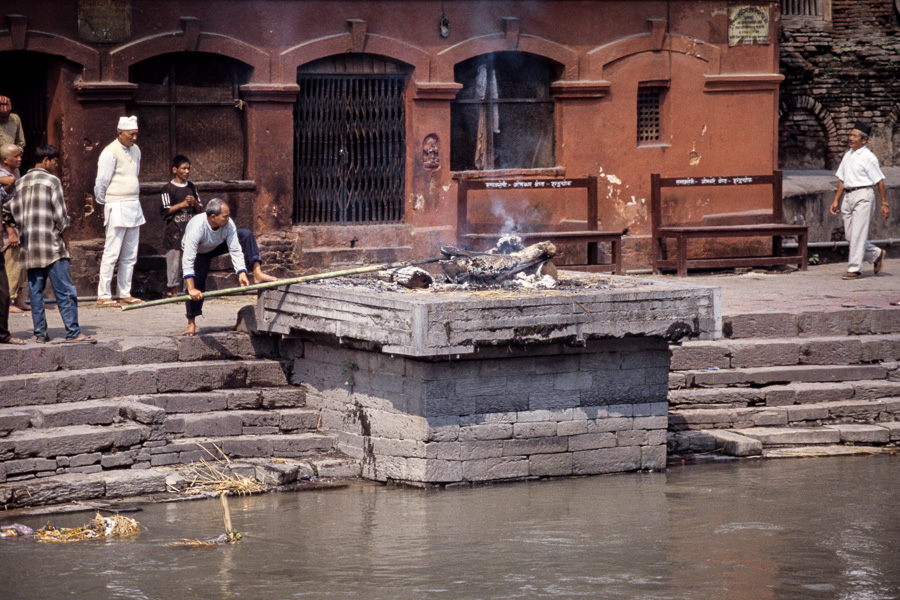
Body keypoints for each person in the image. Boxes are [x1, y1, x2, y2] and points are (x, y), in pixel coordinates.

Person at [2, 145, 95, 343]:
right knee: (65, 291)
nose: (56, 165)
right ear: (46, 161)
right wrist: (64, 237)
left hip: (29, 247)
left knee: (35, 293)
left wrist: (16, 227)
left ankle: (40, 334)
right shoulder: (52, 181)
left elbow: (7, 210)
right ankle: (73, 332)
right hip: (51, 245)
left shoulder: (20, 182)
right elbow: (61, 217)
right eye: (55, 161)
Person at [181, 198, 277, 336]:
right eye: (225, 216)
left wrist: (241, 273)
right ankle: (191, 322)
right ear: (213, 217)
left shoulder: (228, 224)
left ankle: (257, 272)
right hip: (199, 252)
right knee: (197, 284)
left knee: (246, 234)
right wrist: (191, 288)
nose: (228, 218)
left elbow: (235, 249)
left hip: (216, 245)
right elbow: (188, 259)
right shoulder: (197, 227)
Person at [94, 115, 145, 307]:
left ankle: (124, 292)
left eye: (136, 134)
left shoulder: (136, 150)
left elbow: (135, 173)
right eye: (131, 134)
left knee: (130, 254)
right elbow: (101, 182)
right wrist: (105, 202)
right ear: (120, 133)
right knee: (112, 252)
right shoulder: (109, 152)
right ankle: (104, 294)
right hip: (116, 205)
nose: (134, 138)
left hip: (133, 204)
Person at [830, 121, 889, 280]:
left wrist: (884, 203)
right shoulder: (848, 155)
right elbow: (842, 179)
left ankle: (854, 269)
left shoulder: (869, 157)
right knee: (850, 236)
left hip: (863, 195)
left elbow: (879, 181)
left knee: (857, 235)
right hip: (848, 196)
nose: (851, 138)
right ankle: (876, 254)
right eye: (850, 135)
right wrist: (836, 200)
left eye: (855, 136)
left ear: (864, 140)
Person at [160, 155, 203, 297]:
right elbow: (165, 211)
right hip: (174, 232)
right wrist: (182, 205)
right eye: (183, 168)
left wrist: (194, 203)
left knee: (189, 261)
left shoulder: (191, 187)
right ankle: (173, 292)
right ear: (175, 170)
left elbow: (200, 209)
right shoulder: (168, 189)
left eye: (188, 168)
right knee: (173, 263)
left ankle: (188, 290)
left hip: (190, 231)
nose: (187, 171)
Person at [1, 143, 29, 313]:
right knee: (11, 264)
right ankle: (9, 300)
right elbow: (3, 206)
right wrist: (10, 231)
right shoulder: (3, 176)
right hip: (7, 229)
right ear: (5, 160)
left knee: (20, 265)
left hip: (18, 226)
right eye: (15, 156)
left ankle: (19, 297)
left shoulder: (15, 174)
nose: (19, 159)